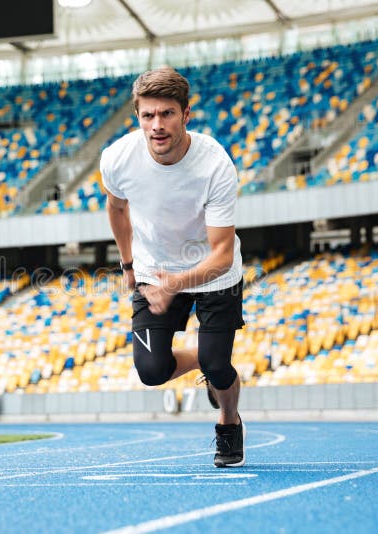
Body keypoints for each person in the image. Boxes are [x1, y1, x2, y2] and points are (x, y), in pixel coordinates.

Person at [100, 66, 246, 468]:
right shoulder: (117, 158)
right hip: (152, 269)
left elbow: (222, 254)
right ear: (138, 117)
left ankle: (229, 422)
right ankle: (208, 356)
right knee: (151, 370)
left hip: (214, 273)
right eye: (148, 116)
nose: (157, 125)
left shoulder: (215, 164)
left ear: (186, 114)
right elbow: (116, 208)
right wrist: (128, 263)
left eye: (166, 114)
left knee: (220, 366)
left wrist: (176, 284)